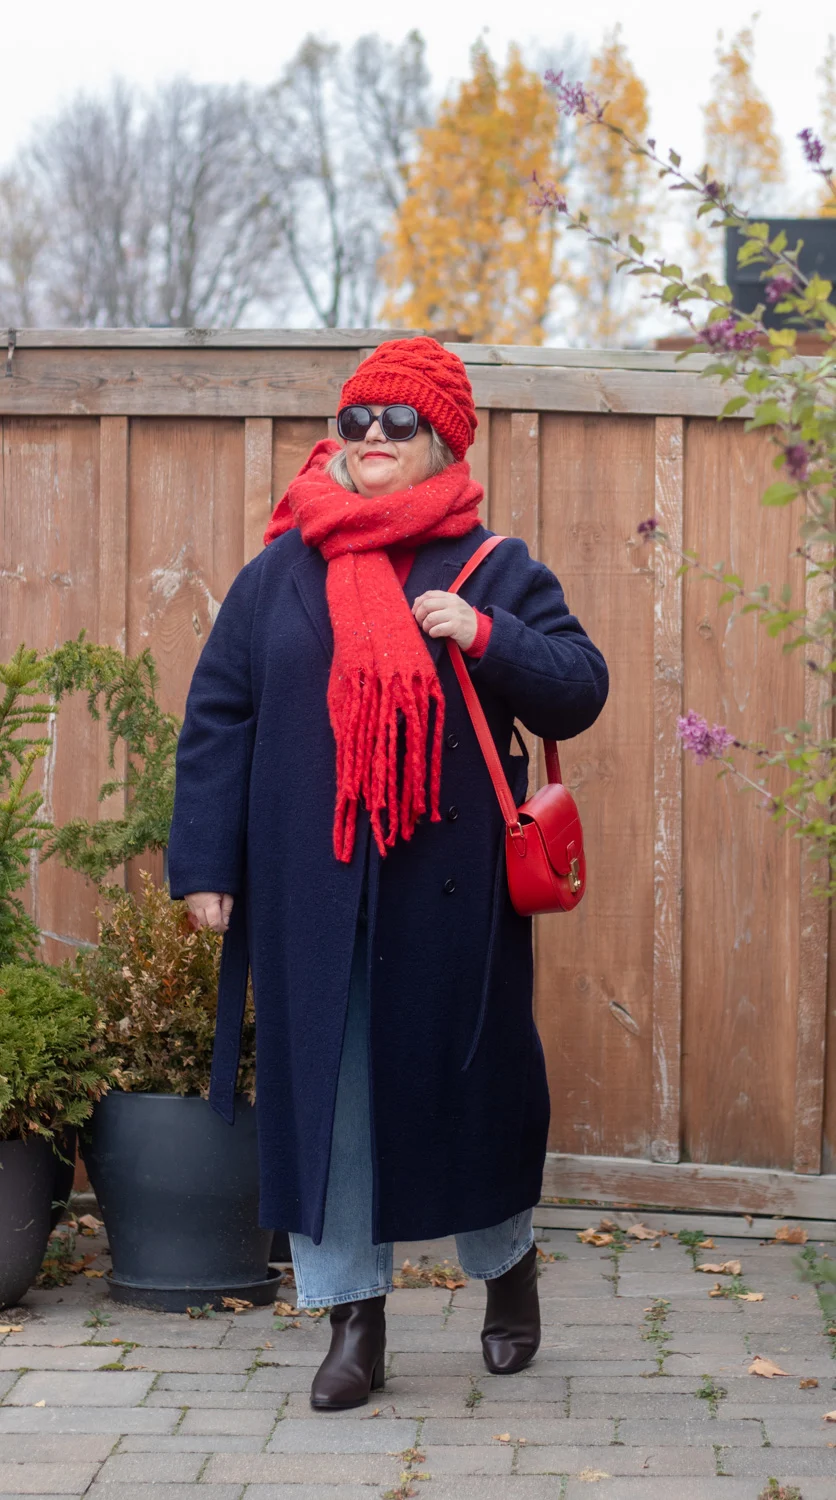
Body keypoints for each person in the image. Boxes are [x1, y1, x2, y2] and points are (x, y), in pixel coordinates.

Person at [168, 336, 608, 1411]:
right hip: (310, 884)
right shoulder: (281, 568)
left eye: (396, 423)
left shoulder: (493, 565)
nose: (371, 437)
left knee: (475, 1089)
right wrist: (204, 862)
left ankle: (506, 1270)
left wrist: (487, 635)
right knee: (329, 1097)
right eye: (356, 419)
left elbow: (578, 688)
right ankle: (351, 1324)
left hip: (449, 889)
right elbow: (220, 714)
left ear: (442, 441)